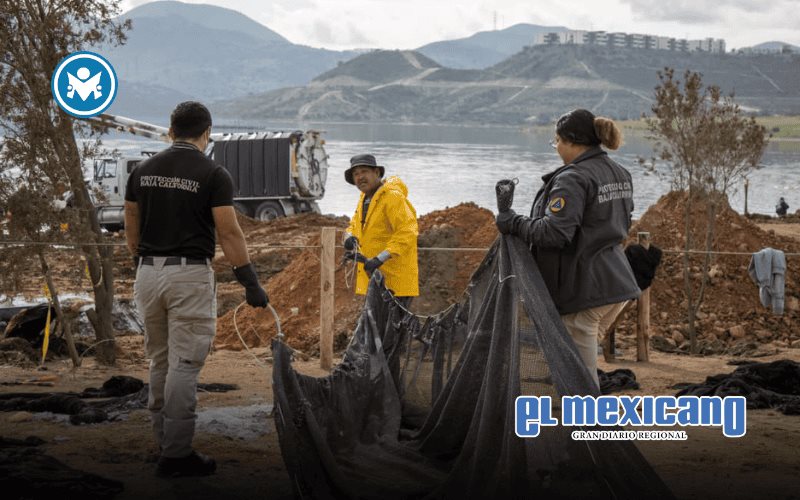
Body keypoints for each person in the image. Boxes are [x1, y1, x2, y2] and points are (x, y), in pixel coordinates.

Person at [124, 101, 268, 477]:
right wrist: (249, 280)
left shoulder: (141, 170)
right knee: (185, 365)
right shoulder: (214, 173)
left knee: (159, 360)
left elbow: (130, 222)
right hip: (188, 275)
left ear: (170, 131)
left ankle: (162, 442)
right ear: (207, 133)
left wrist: (141, 260)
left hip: (147, 274)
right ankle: (176, 454)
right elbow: (228, 230)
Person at [496, 109, 640, 388]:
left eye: (557, 141)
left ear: (572, 142)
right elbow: (623, 222)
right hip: (617, 284)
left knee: (580, 378)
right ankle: (577, 422)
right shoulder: (619, 172)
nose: (556, 147)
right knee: (576, 365)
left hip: (585, 290)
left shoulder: (572, 178)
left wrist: (514, 222)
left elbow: (554, 232)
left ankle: (588, 429)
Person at [342, 154, 418, 306]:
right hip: (374, 281)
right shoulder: (365, 198)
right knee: (374, 328)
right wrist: (349, 237)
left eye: (364, 171)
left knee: (393, 329)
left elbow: (407, 231)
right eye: (356, 174)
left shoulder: (392, 197)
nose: (360, 177)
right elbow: (355, 225)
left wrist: (380, 259)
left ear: (376, 173)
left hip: (395, 283)